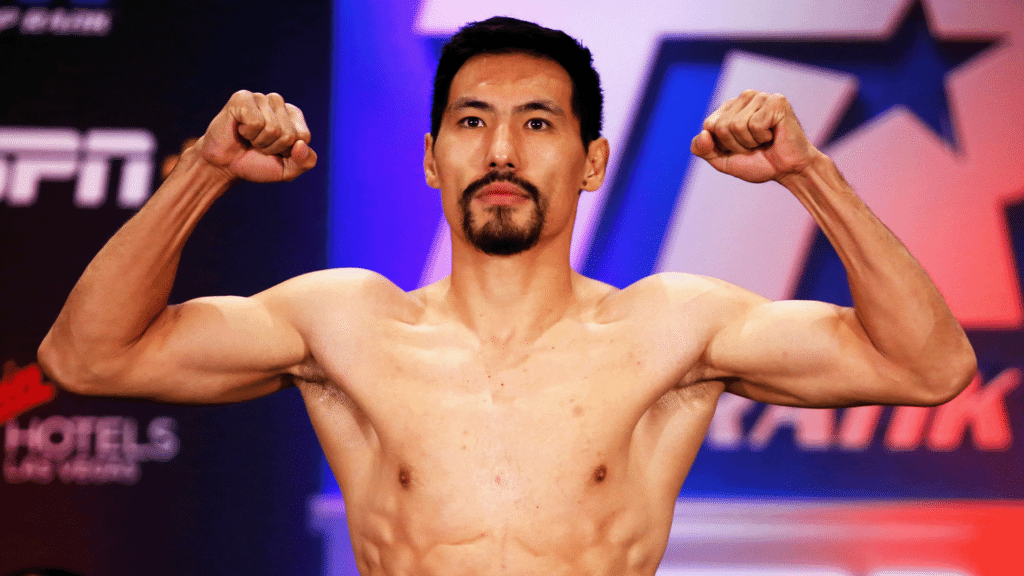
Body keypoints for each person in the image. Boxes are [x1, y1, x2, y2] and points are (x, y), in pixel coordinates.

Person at [38, 16, 976, 576]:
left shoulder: (671, 325)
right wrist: (205, 170)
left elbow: (928, 366)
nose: (499, 152)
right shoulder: (345, 321)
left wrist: (810, 174)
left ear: (592, 161)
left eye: (537, 123)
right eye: (471, 121)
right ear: (430, 157)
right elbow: (87, 356)